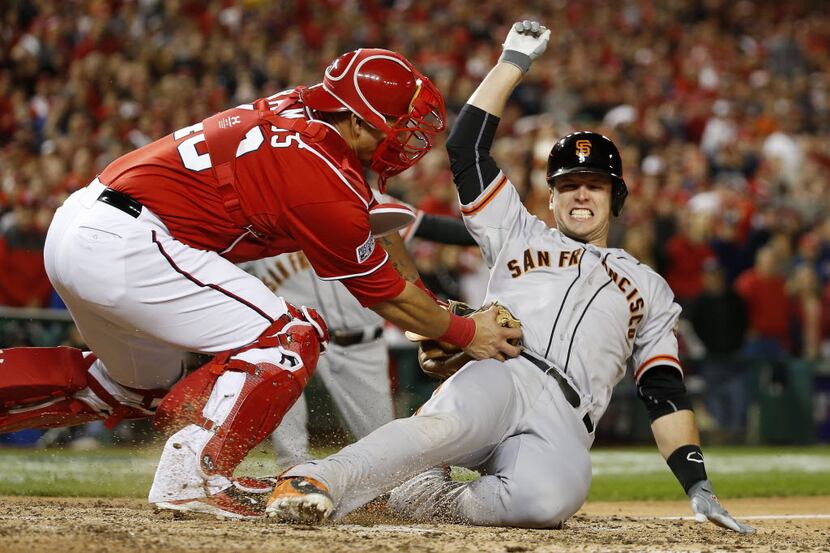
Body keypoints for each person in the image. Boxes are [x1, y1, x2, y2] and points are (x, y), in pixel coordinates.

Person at [265, 22, 755, 534]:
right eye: (568, 186)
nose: (580, 195)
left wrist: (697, 485)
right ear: (551, 197)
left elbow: (663, 389)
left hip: (566, 420)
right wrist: (513, 62)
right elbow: (466, 151)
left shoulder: (650, 287)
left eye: (594, 185)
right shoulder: (519, 231)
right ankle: (319, 478)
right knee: (443, 427)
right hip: (502, 367)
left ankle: (425, 497)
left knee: (544, 505)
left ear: (617, 199)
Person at [0, 48, 521, 519]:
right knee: (288, 336)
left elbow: (369, 228)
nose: (407, 139)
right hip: (130, 241)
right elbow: (383, 292)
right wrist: (461, 331)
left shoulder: (301, 110)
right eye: (399, 124)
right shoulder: (321, 177)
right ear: (357, 119)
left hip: (88, 222)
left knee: (128, 389)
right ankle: (195, 478)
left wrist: (438, 316)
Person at [247, 198, 477, 467]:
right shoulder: (256, 204)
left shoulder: (362, 197)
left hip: (359, 341)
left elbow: (430, 227)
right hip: (293, 338)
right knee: (278, 374)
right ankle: (292, 474)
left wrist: (504, 238)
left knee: (386, 450)